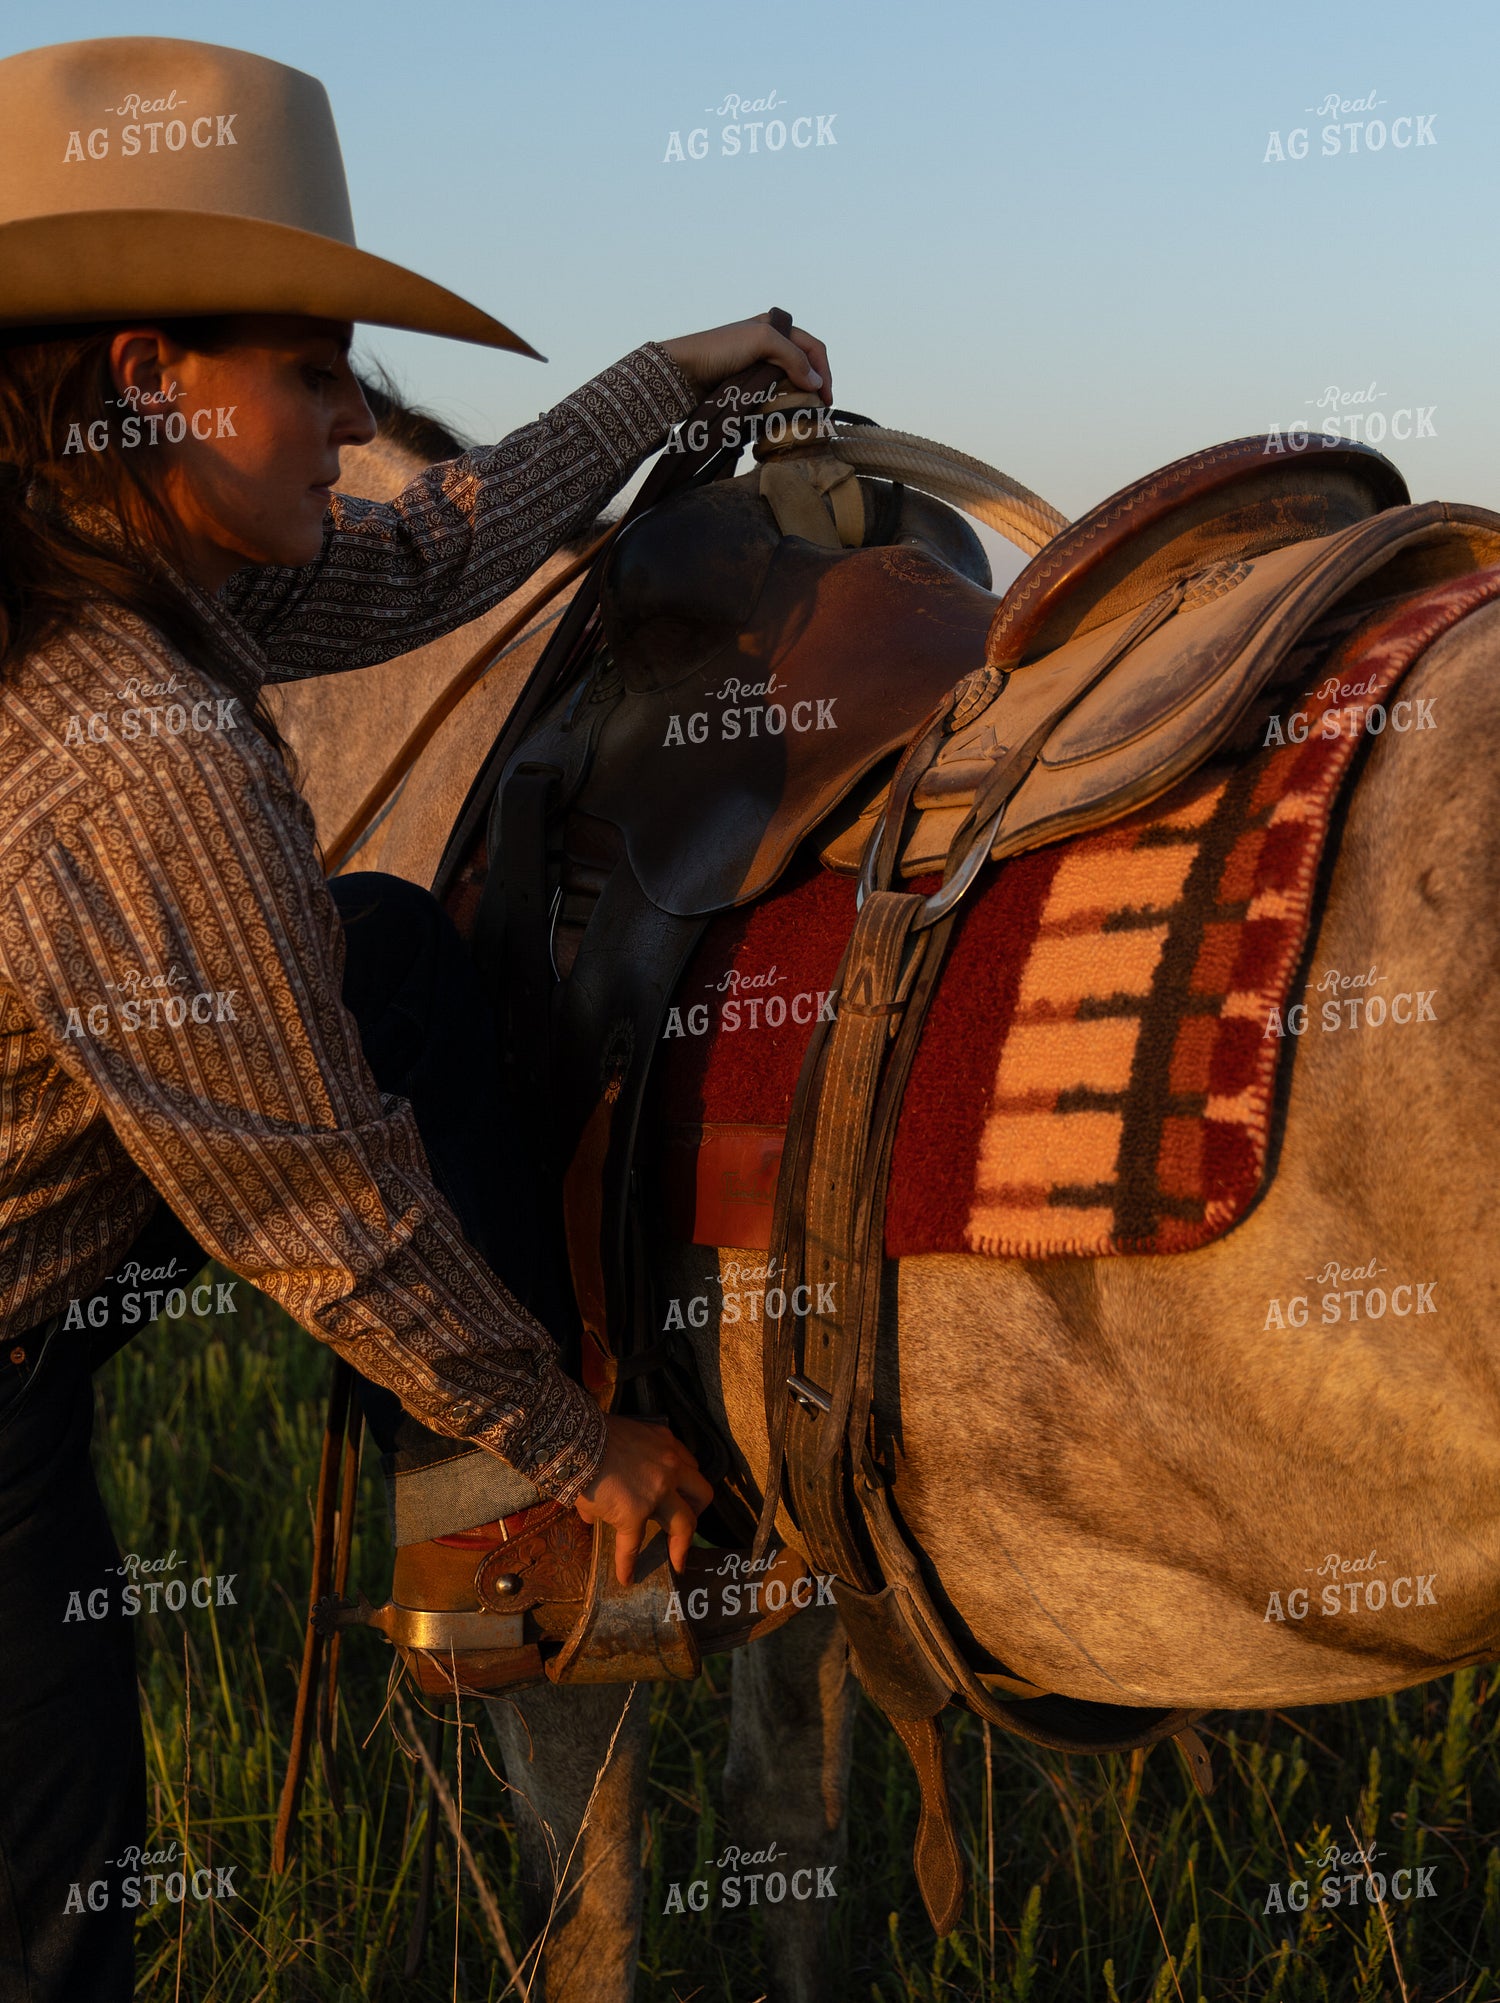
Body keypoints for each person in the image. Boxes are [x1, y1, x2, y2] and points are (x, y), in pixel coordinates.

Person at [0, 33, 832, 2002]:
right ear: (146, 377)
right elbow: (318, 1204)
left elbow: (434, 546)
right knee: (54, 1891)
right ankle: (499, 1500)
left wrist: (660, 384)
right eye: (307, 374)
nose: (342, 421)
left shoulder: (123, 566)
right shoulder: (138, 743)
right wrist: (568, 1440)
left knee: (375, 938)